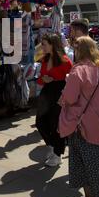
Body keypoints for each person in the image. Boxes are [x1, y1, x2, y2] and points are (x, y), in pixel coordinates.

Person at [59, 36, 99, 197]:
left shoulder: (78, 71)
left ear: (79, 51)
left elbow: (69, 98)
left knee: (84, 165)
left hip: (83, 126)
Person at [36, 33, 73, 167]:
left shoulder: (65, 61)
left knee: (56, 124)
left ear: (53, 45)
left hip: (60, 92)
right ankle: (51, 145)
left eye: (44, 44)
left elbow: (72, 80)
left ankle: (57, 155)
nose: (42, 46)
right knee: (40, 122)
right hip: (47, 91)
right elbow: (40, 78)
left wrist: (56, 80)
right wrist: (44, 79)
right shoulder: (45, 59)